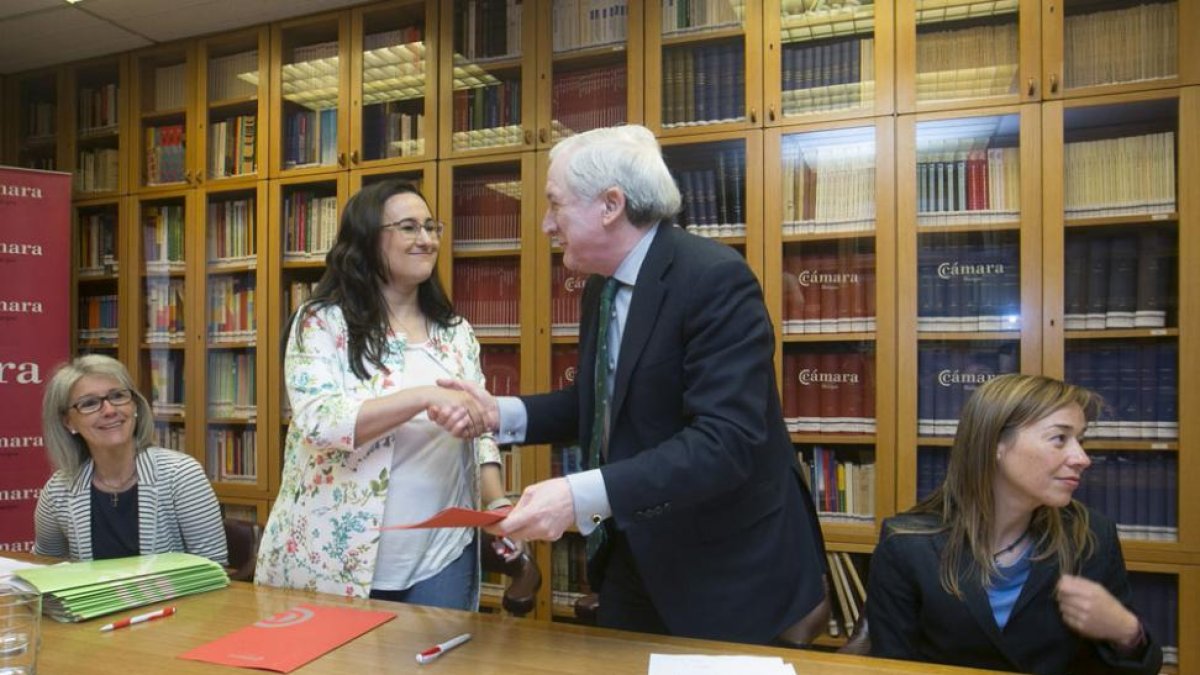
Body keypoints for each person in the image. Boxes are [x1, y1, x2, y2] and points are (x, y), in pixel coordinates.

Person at [431, 124, 828, 644]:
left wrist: (578, 494)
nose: (545, 224)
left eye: (555, 204)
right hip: (634, 552)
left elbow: (725, 442)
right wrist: (498, 414)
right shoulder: (599, 288)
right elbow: (600, 404)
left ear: (610, 205)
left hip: (725, 568)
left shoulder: (713, 279)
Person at [255, 180, 514, 609]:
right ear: (367, 240)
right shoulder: (322, 322)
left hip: (442, 552)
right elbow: (321, 422)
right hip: (334, 555)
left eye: (432, 227)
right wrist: (423, 397)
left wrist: (497, 502)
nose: (427, 240)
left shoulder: (456, 333)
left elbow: (480, 428)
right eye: (409, 227)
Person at [868, 373, 1162, 674]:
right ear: (995, 443)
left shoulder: (1091, 536)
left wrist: (1126, 632)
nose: (1082, 458)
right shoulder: (906, 544)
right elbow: (892, 666)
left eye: (1080, 440)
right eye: (1060, 438)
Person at [34, 354, 227, 564]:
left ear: (134, 406)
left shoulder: (180, 475)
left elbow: (214, 567)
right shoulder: (58, 491)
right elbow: (46, 567)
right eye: (89, 403)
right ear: (69, 422)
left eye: (117, 396)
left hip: (175, 597)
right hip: (96, 598)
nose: (109, 410)